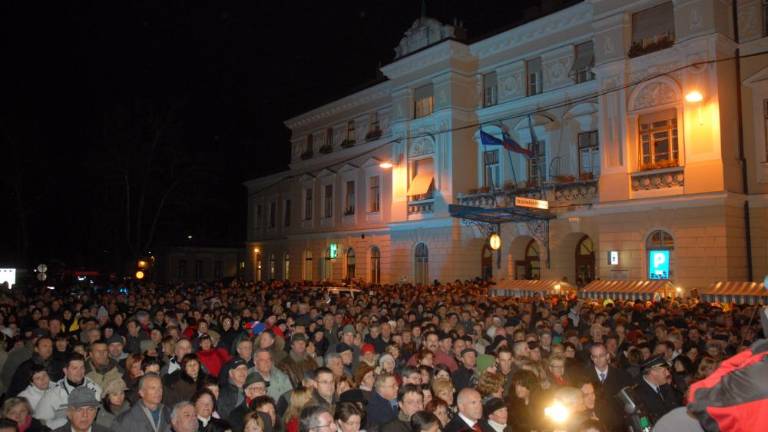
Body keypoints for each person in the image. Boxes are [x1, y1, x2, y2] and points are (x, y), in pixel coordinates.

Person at [35, 353, 102, 430]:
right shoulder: (52, 395)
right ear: (65, 371)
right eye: (74, 368)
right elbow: (41, 423)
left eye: (82, 368)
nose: (79, 372)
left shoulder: (95, 389)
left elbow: (100, 418)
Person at [584, 343, 631, 431]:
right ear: (591, 358)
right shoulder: (584, 375)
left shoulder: (622, 375)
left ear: (607, 356)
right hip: (594, 425)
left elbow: (628, 403)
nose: (598, 359)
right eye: (595, 356)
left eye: (601, 355)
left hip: (617, 425)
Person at [631, 355, 681, 424]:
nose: (668, 373)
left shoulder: (664, 385)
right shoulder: (637, 394)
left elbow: (675, 407)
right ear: (653, 372)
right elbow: (643, 422)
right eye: (664, 371)